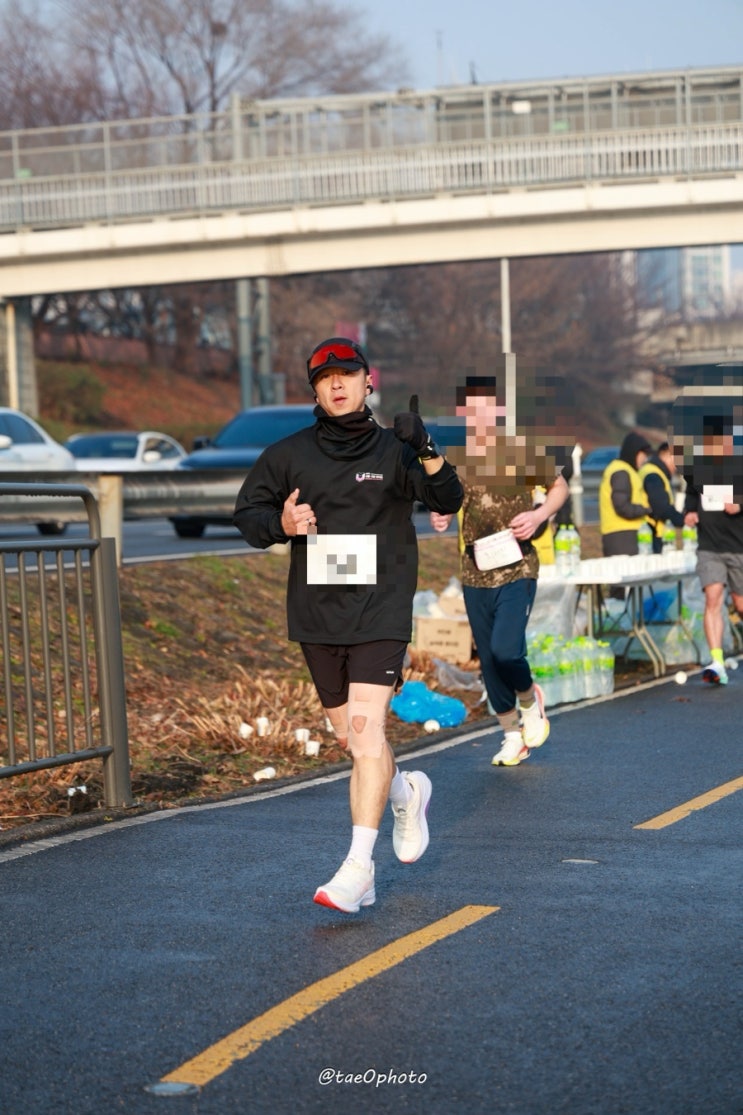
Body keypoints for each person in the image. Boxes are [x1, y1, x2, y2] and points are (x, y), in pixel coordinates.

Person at [233, 337, 463, 913]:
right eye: (324, 377)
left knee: (365, 733)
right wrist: (282, 523)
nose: (336, 384)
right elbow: (247, 515)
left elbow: (448, 496)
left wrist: (428, 448)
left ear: (368, 382)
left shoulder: (395, 449)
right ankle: (407, 790)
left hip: (381, 606)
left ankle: (358, 869)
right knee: (354, 739)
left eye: (347, 374)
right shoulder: (288, 454)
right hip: (317, 611)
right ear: (314, 388)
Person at [430, 375, 570, 767]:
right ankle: (511, 734)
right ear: (462, 413)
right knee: (488, 663)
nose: (480, 416)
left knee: (506, 650)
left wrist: (540, 514)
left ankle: (530, 699)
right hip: (475, 572)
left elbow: (559, 488)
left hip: (518, 565)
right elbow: (447, 499)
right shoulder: (454, 456)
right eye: (471, 409)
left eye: (486, 407)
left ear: (499, 411)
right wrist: (440, 513)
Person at [683, 420, 743, 686]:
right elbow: (690, 497)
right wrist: (690, 512)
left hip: (738, 545)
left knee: (740, 604)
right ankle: (717, 662)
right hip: (709, 545)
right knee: (713, 599)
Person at [598, 431, 652, 557]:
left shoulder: (627, 471)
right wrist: (646, 510)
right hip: (621, 537)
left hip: (626, 534)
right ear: (634, 452)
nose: (644, 459)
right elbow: (622, 506)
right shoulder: (621, 472)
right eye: (643, 454)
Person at [638, 441, 687, 553]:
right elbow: (661, 507)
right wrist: (684, 520)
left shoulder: (650, 470)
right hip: (651, 534)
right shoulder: (653, 475)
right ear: (667, 455)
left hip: (647, 533)